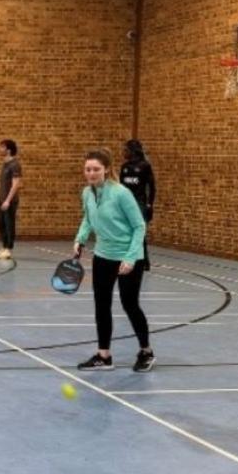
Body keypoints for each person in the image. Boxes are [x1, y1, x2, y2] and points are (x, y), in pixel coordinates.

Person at [74, 148, 154, 373]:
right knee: (101, 306)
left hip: (128, 258)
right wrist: (79, 240)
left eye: (96, 169)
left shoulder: (121, 193)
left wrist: (130, 258)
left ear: (106, 169)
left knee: (130, 305)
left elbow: (139, 226)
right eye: (88, 169)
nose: (91, 173)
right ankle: (104, 355)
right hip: (102, 256)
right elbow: (88, 219)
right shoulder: (87, 193)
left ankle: (146, 351)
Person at [119, 139, 156, 270]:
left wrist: (150, 204)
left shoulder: (145, 166)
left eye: (126, 149)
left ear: (132, 151)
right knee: (125, 230)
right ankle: (125, 257)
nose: (123, 152)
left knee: (139, 231)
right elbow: (120, 188)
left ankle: (144, 260)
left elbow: (151, 187)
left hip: (139, 203)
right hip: (125, 203)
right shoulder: (124, 167)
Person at [0, 139, 21, 260]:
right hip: (2, 199)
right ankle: (4, 247)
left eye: (2, 147)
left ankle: (9, 249)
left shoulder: (15, 165)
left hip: (10, 201)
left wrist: (8, 200)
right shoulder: (5, 164)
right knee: (0, 223)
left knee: (9, 224)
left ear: (8, 150)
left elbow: (16, 184)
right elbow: (3, 184)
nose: (0, 149)